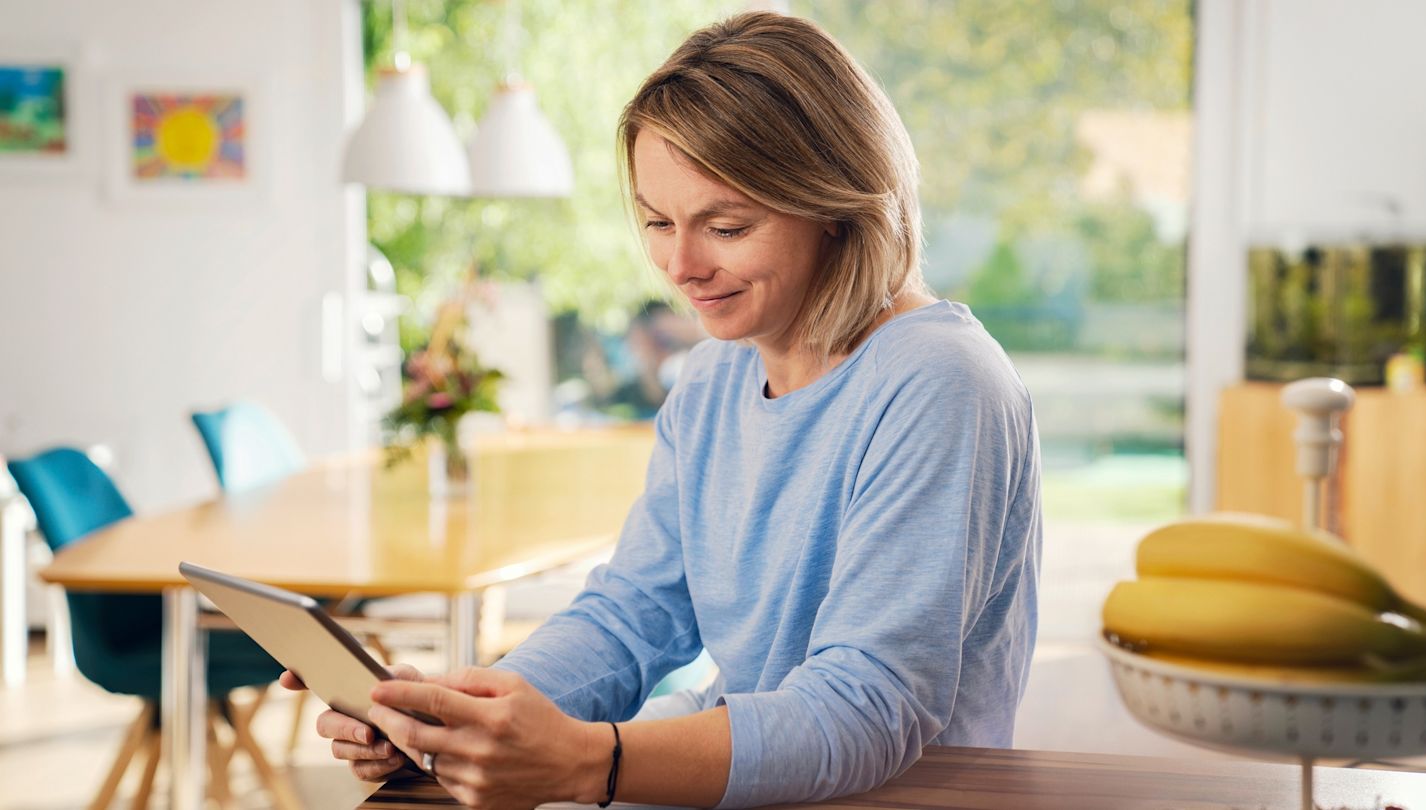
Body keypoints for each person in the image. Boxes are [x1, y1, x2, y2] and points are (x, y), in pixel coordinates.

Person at [283, 10, 1041, 808]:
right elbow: (633, 615)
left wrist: (589, 761)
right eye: (657, 222)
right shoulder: (714, 379)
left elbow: (866, 711)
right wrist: (466, 716)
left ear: (835, 204)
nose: (681, 265)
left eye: (727, 225)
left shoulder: (941, 382)